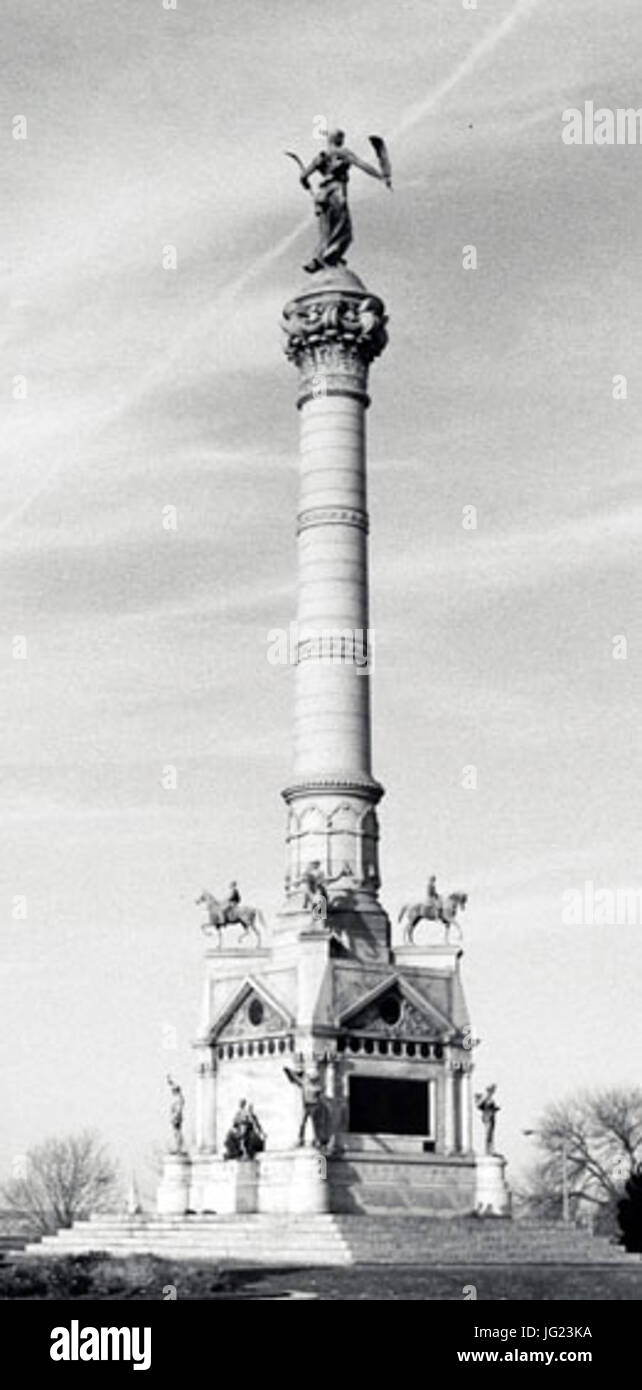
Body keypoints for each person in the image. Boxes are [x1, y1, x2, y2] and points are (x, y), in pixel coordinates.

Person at [299, 129, 390, 273]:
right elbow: (361, 164)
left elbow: (303, 177)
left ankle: (318, 258)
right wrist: (380, 176)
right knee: (344, 230)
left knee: (325, 231)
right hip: (336, 193)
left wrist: (306, 185)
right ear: (339, 140)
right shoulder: (342, 153)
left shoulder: (320, 157)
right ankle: (330, 255)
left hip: (321, 197)